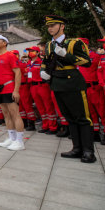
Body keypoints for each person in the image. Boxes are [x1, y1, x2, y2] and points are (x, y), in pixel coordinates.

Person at [41, 15, 94, 162]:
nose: (50, 28)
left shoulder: (74, 43)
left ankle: (88, 151)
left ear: (62, 26)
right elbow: (46, 61)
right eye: (48, 26)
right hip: (57, 83)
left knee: (82, 118)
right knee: (70, 118)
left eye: (53, 25)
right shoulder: (49, 45)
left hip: (73, 82)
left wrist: (67, 55)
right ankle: (77, 148)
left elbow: (86, 62)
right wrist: (43, 71)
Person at [0, 35, 25, 151]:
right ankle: (12, 138)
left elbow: (18, 73)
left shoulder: (10, 56)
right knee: (6, 114)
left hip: (9, 87)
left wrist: (16, 90)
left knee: (15, 114)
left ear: (4, 42)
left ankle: (20, 141)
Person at [27, 46, 57, 134]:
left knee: (48, 106)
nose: (30, 53)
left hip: (42, 85)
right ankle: (45, 125)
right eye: (29, 51)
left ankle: (53, 127)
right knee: (40, 107)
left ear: (37, 52)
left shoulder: (41, 62)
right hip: (33, 86)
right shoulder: (29, 63)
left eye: (32, 51)